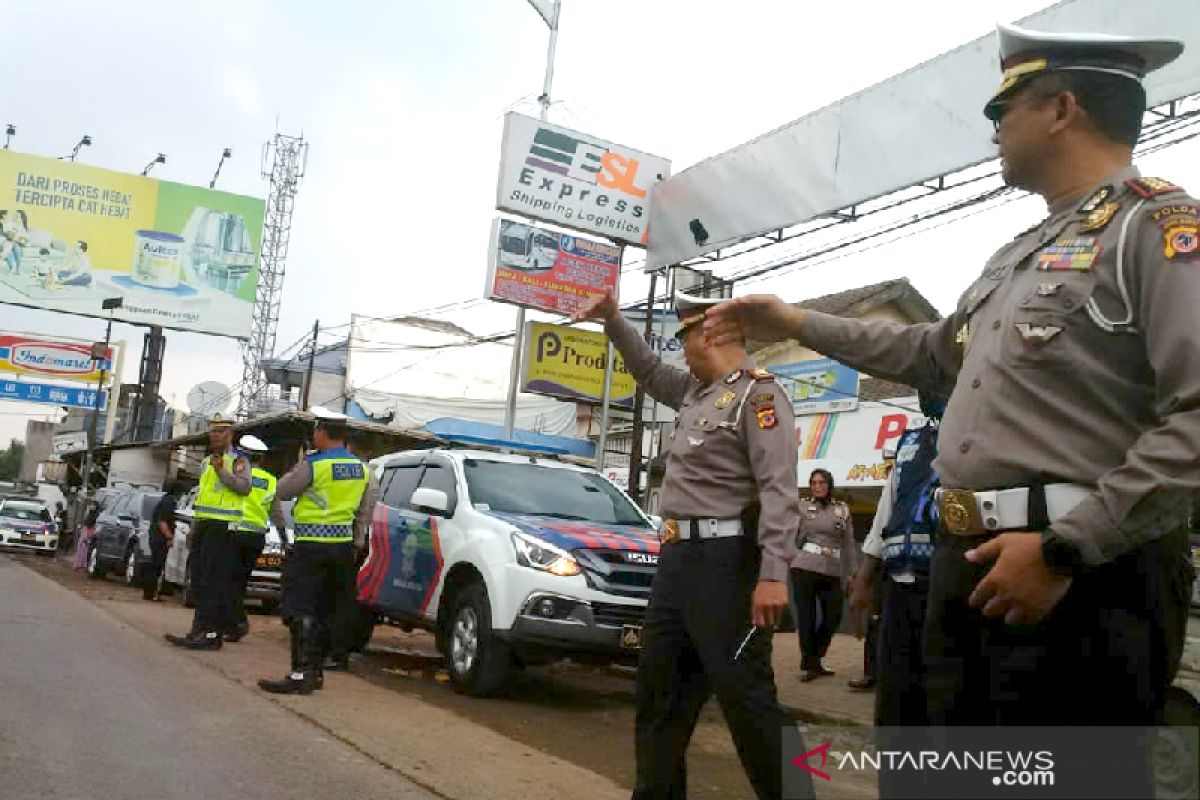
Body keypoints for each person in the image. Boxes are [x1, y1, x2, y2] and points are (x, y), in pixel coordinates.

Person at [704, 23, 1197, 789]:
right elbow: (933, 351)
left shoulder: (1156, 228)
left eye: (1006, 108)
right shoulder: (1018, 253)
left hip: (1081, 579)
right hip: (967, 563)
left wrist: (1068, 548)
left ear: (1062, 108)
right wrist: (796, 322)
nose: (994, 128)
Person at [572, 289, 812, 800]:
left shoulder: (760, 396)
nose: (679, 348)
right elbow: (648, 371)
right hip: (677, 562)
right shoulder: (694, 391)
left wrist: (773, 574)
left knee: (749, 702)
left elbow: (779, 490)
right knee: (658, 698)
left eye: (683, 335)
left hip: (727, 567)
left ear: (712, 333)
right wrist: (614, 320)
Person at [259, 407, 372, 695]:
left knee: (300, 608)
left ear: (320, 432)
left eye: (315, 430)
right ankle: (317, 671)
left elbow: (282, 490)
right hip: (343, 550)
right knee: (326, 610)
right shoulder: (363, 469)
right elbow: (364, 512)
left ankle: (301, 673)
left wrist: (300, 463)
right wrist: (357, 544)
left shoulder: (315, 464)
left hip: (311, 548)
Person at [165, 414, 250, 650]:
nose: (215, 436)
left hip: (224, 528)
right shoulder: (206, 462)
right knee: (200, 581)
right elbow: (202, 497)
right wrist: (194, 527)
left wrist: (223, 471)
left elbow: (244, 488)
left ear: (230, 434)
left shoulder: (238, 460)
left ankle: (212, 634)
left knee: (215, 582)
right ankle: (198, 631)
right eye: (213, 431)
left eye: (221, 431)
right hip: (204, 525)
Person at [791, 468, 856, 682]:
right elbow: (790, 534)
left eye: (821, 482)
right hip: (804, 567)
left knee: (834, 615)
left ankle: (815, 657)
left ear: (829, 485)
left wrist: (852, 573)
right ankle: (810, 664)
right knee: (806, 617)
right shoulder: (802, 507)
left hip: (831, 570)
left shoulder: (842, 509)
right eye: (814, 482)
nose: (817, 486)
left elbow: (848, 543)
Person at [228, 435, 286, 642]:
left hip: (235, 533)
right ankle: (234, 623)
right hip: (257, 538)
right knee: (241, 581)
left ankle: (237, 622)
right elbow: (277, 513)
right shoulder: (271, 481)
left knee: (228, 581)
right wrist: (283, 539)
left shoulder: (239, 475)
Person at [144, 481, 182, 601]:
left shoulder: (164, 500)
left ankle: (150, 592)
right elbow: (163, 521)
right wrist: (169, 537)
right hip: (160, 538)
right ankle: (151, 593)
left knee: (154, 565)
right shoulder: (170, 502)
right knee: (157, 566)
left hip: (155, 537)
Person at [73, 499, 99, 570]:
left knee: (85, 547)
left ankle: (83, 564)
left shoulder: (96, 515)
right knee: (81, 546)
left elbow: (90, 522)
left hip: (90, 531)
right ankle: (79, 563)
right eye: (91, 505)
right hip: (86, 530)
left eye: (93, 505)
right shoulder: (90, 513)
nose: (91, 506)